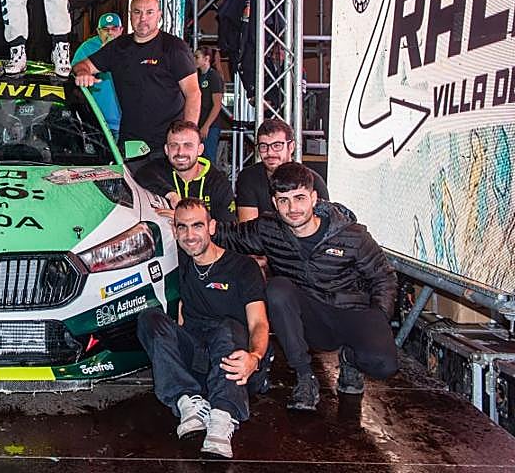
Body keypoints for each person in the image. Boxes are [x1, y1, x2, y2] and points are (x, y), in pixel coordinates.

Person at [213, 162, 399, 411]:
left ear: (314, 198)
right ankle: (304, 378)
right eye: (284, 200)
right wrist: (189, 221)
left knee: (384, 365)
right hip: (312, 318)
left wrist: (378, 320)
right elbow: (228, 234)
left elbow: (384, 278)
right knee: (277, 289)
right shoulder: (268, 230)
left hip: (353, 313)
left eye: (299, 198)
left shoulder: (351, 235)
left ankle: (350, 359)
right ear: (274, 202)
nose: (292, 209)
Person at [137, 198, 269, 459]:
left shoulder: (243, 267)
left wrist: (255, 357)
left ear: (212, 227)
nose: (190, 235)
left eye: (197, 226)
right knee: (149, 318)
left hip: (236, 363)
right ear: (174, 232)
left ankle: (222, 416)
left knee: (227, 327)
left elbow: (259, 323)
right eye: (182, 227)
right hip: (198, 359)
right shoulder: (180, 263)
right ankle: (188, 402)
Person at [74, 0, 200, 155]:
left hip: (168, 143)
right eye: (137, 12)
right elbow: (82, 65)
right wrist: (84, 72)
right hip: (131, 143)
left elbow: (193, 93)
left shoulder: (174, 48)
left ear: (159, 16)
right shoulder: (118, 47)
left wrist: (188, 138)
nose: (143, 19)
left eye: (149, 12)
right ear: (130, 15)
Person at [136, 120, 235, 226]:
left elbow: (227, 230)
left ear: (200, 149)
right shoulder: (157, 170)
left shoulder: (218, 183)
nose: (180, 152)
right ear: (166, 150)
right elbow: (141, 175)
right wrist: (171, 195)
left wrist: (184, 220)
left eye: (188, 145)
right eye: (174, 145)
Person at [235, 119, 328, 222]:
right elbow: (248, 230)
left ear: (291, 147)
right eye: (263, 146)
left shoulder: (313, 180)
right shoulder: (249, 178)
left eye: (277, 146)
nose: (270, 152)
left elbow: (322, 228)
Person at [71, 13, 123, 140]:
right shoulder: (87, 48)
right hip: (96, 122)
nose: (110, 33)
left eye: (114, 28)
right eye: (105, 29)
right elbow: (73, 74)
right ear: (98, 31)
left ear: (121, 30)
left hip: (124, 123)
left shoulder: (129, 47)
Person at [196, 46, 225, 164]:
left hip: (210, 126)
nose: (194, 60)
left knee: (208, 159)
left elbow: (217, 105)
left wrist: (206, 126)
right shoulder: (197, 76)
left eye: (197, 57)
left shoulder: (214, 76)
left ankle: (210, 182)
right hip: (199, 123)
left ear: (206, 58)